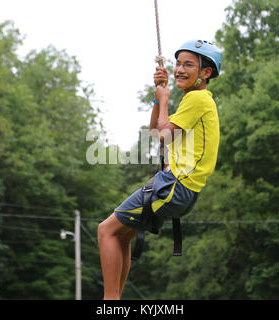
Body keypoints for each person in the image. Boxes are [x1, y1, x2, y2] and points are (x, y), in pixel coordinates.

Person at [97, 40, 222, 300]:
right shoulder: (193, 100)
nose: (179, 69)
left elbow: (164, 135)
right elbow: (156, 131)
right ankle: (115, 300)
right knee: (120, 236)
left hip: (175, 186)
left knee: (105, 230)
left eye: (189, 65)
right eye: (178, 63)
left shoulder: (198, 99)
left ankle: (110, 302)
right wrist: (159, 97)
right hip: (180, 190)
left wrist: (165, 99)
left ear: (205, 73)